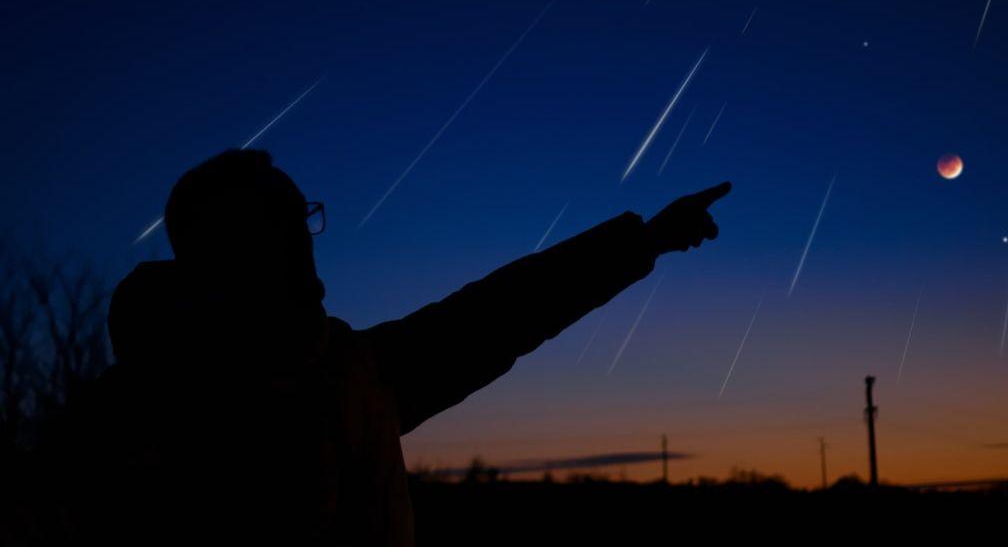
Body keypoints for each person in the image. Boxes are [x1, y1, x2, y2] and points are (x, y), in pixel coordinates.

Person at [65, 149, 730, 546]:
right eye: (286, 218)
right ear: (232, 243)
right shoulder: (140, 418)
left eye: (306, 214)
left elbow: (498, 315)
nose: (307, 232)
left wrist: (644, 241)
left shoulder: (352, 370)